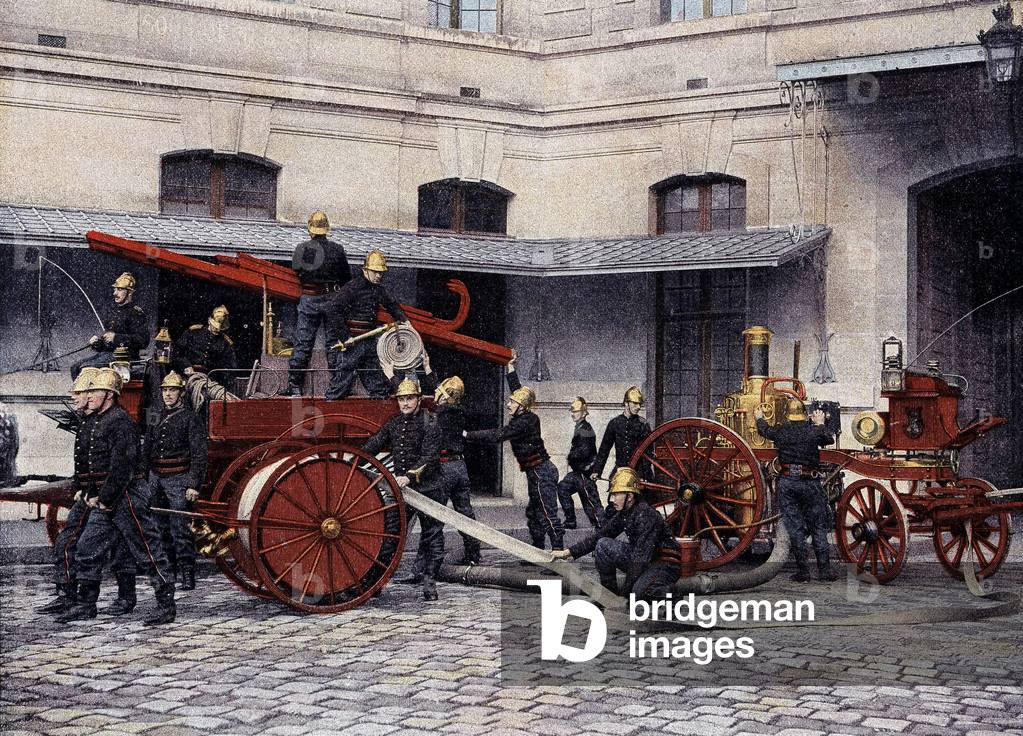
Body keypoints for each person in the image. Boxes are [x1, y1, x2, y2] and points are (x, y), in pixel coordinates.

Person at [54, 368, 177, 625]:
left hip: (127, 497)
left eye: (94, 392)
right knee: (87, 548)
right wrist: (92, 494)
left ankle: (166, 605)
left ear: (108, 395)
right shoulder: (97, 419)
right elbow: (90, 465)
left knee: (147, 547)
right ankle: (87, 604)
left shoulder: (121, 422)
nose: (88, 397)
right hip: (106, 498)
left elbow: (123, 468)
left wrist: (104, 498)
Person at [466, 353, 564, 552]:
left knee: (547, 514)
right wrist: (511, 369)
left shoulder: (526, 421)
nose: (508, 404)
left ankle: (558, 555)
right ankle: (537, 553)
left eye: (512, 402)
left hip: (541, 472)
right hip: (536, 472)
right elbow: (519, 392)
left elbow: (498, 435)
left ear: (522, 407)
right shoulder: (524, 413)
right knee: (534, 514)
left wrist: (468, 434)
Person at [362, 377, 444, 601]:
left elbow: (430, 455)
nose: (405, 403)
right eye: (401, 399)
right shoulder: (394, 423)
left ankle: (430, 584)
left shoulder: (431, 421)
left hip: (429, 489)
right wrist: (355, 459)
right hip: (403, 493)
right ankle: (375, 583)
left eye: (409, 398)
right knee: (391, 535)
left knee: (432, 538)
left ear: (418, 399)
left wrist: (408, 476)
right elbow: (375, 443)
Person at [552, 467, 679, 599]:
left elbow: (640, 560)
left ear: (629, 496)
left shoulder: (646, 515)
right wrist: (568, 552)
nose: (612, 500)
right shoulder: (626, 512)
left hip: (664, 564)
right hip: (645, 559)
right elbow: (600, 536)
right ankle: (609, 597)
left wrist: (624, 597)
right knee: (602, 545)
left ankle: (672, 594)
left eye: (615, 495)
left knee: (637, 594)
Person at [37, 367, 105, 614]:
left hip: (100, 497)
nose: (74, 397)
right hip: (88, 494)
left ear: (92, 395)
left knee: (81, 546)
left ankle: (85, 603)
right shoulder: (88, 421)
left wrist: (94, 492)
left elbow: (110, 465)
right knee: (66, 542)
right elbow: (84, 463)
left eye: (79, 393)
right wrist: (80, 487)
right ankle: (67, 595)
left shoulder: (104, 422)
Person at [755, 399, 839, 582]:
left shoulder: (782, 431)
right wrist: (820, 423)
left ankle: (803, 572)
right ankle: (824, 571)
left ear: (788, 415)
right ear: (805, 414)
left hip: (788, 483)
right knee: (818, 527)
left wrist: (759, 417)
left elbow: (765, 431)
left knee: (795, 527)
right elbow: (829, 438)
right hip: (810, 483)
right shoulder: (813, 430)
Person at [144, 371, 208, 591]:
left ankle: (187, 575)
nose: (168, 394)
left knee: (180, 529)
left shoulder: (191, 418)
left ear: (181, 393)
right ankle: (167, 573)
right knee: (157, 528)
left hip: (178, 480)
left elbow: (199, 454)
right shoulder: (154, 413)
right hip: (155, 479)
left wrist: (193, 484)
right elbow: (147, 446)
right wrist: (144, 478)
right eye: (165, 390)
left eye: (172, 390)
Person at [327, 250, 408, 400]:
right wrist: (345, 337)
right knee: (340, 386)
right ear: (365, 270)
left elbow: (392, 305)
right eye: (375, 272)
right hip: (353, 344)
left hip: (369, 343)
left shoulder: (378, 290)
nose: (378, 276)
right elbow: (333, 309)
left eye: (381, 273)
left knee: (377, 386)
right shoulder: (352, 287)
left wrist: (405, 322)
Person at [287, 211, 352, 396]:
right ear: (326, 229)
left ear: (310, 229)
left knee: (303, 343)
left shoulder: (302, 248)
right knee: (333, 344)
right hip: (332, 300)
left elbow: (298, 272)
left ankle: (295, 387)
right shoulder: (338, 249)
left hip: (309, 300)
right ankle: (336, 386)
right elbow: (346, 277)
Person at [70, 272, 149, 378]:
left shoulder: (136, 313)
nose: (115, 293)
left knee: (86, 368)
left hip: (125, 358)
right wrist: (97, 343)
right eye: (115, 289)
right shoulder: (112, 312)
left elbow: (143, 340)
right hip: (107, 355)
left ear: (129, 292)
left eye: (119, 290)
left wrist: (116, 338)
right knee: (75, 367)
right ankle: (82, 395)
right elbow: (107, 343)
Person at [172, 305, 238, 411]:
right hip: (186, 376)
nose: (217, 329)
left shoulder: (225, 343)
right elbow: (176, 353)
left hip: (211, 380)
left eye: (220, 328)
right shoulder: (193, 332)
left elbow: (230, 368)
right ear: (209, 320)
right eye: (215, 326)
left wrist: (216, 379)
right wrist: (186, 366)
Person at [557, 397, 603, 529]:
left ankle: (603, 528)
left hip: (584, 473)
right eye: (572, 411)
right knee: (562, 488)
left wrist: (571, 456)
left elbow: (582, 453)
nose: (573, 414)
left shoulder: (585, 430)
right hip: (578, 473)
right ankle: (570, 521)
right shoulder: (580, 427)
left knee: (592, 503)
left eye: (576, 411)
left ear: (583, 413)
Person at [591, 386, 652, 483]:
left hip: (640, 472)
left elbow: (648, 454)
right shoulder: (614, 423)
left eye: (640, 404)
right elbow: (604, 449)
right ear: (626, 403)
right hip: (620, 470)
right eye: (635, 403)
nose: (638, 407)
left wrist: (643, 476)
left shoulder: (643, 424)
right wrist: (597, 471)